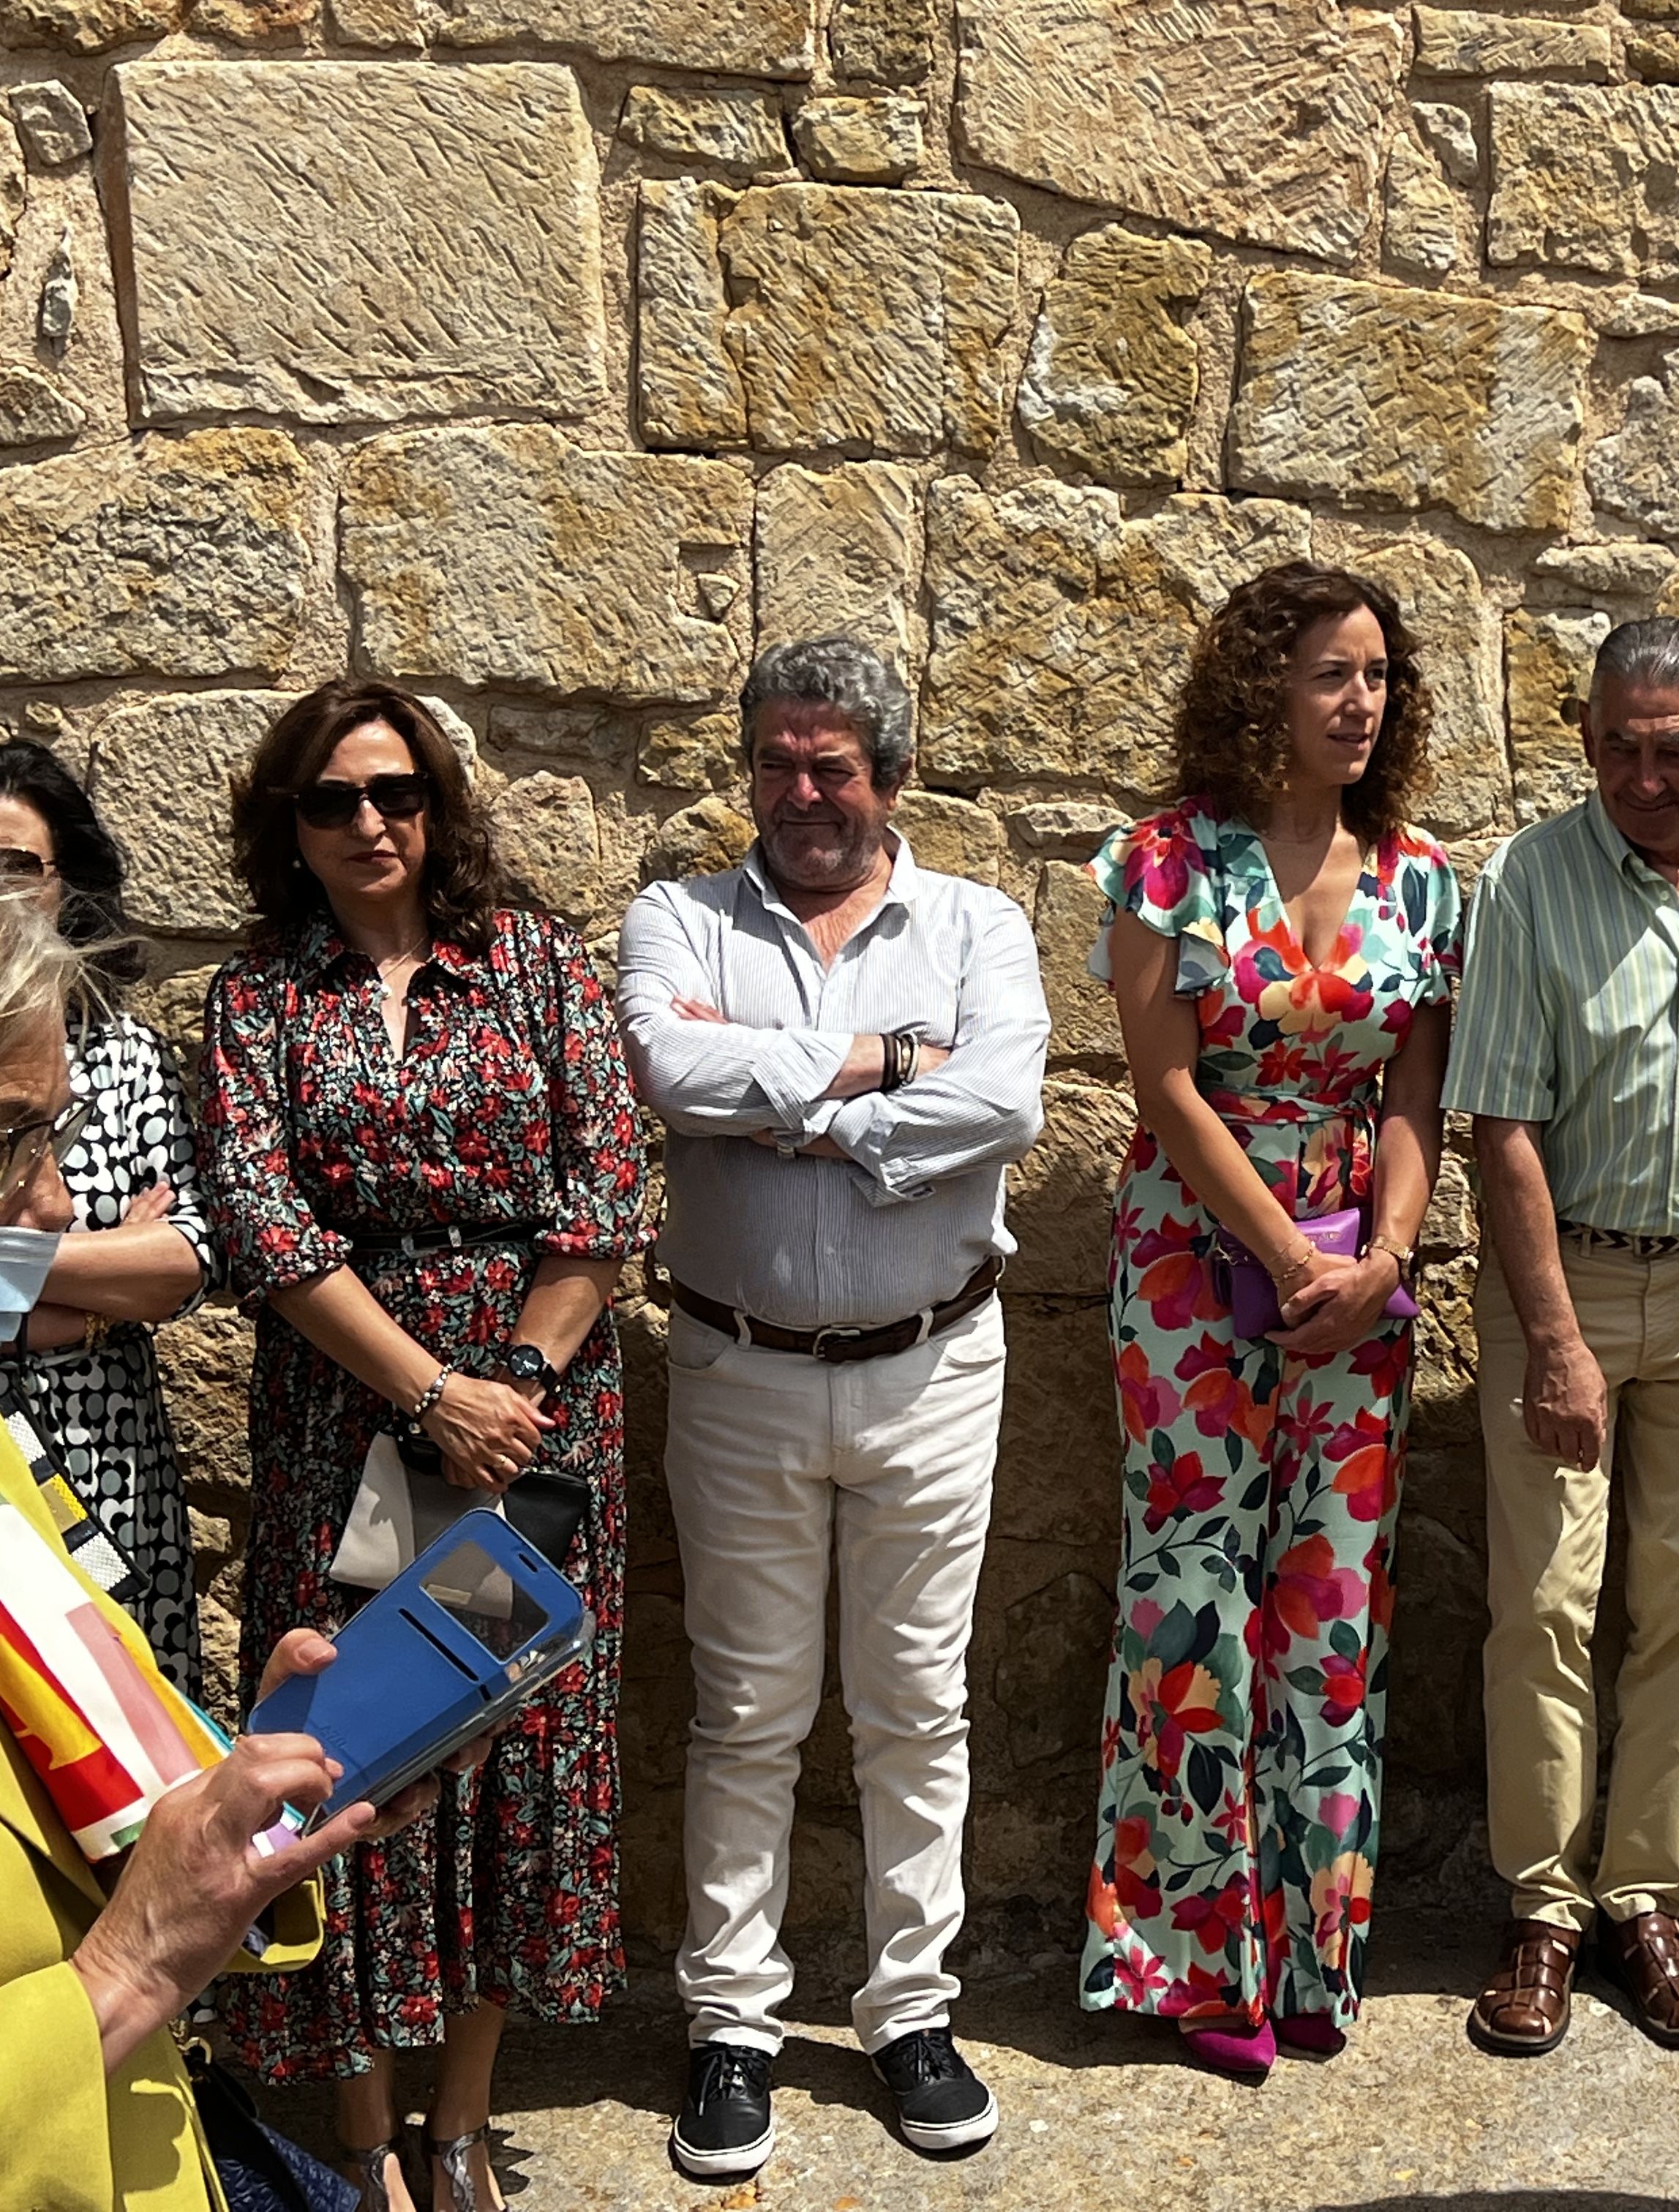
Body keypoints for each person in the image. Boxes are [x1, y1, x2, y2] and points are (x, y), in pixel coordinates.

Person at [199, 680, 652, 2212]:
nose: (371, 823)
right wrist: (426, 1396)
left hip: (530, 1436)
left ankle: (461, 2125)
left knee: (501, 1748)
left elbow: (608, 1191)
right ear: (294, 825)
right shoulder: (259, 997)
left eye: (395, 793)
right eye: (334, 801)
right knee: (358, 1748)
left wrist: (509, 1382)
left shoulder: (534, 964)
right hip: (349, 1430)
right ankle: (365, 2137)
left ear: (437, 803)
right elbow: (264, 1221)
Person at [620, 638, 1048, 2172]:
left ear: (892, 776)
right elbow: (666, 1071)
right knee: (743, 1713)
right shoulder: (680, 915)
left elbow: (1004, 1105)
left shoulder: (978, 923)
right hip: (738, 1367)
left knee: (915, 1710)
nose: (802, 797)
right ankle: (732, 2024)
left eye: (833, 768)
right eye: (777, 765)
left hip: (934, 1368)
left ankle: (909, 2014)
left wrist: (802, 1116)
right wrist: (878, 1068)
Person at [4, 889, 440, 2212]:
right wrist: (132, 1962)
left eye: (57, 1130)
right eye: (13, 1136)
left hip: (154, 2124)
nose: (54, 1199)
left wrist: (221, 1792)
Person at [1080, 563, 1456, 2077]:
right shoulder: (1166, 863)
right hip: (1194, 1261)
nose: (1359, 702)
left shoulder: (1423, 874)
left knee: (1331, 1608)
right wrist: (1286, 1251)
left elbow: (1420, 1086)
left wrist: (1388, 1255)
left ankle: (1312, 1951)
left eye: (1375, 675)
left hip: (1360, 1267)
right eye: (1328, 675)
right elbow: (1164, 1083)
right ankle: (1189, 1970)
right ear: (1262, 690)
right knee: (1189, 1603)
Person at [1450, 616, 1679, 2060]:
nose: (1642, 775)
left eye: (1672, 750)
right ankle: (1543, 1907)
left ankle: (1647, 1902)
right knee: (1545, 1602)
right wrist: (1553, 1340)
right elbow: (1503, 1127)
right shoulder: (1531, 881)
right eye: (1616, 746)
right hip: (1574, 1287)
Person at [0, 742, 217, 1693]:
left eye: (18, 866)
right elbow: (133, 1269)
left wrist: (24, 1285)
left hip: (103, 1461)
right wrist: (90, 1290)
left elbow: (183, 1261)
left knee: (124, 1705)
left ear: (65, 883)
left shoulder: (123, 1052)